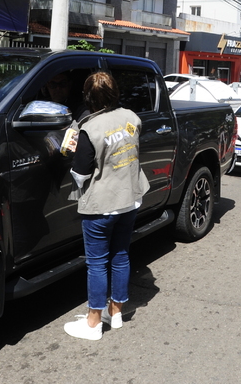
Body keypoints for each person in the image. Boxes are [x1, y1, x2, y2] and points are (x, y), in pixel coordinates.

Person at [63, 71, 150, 341]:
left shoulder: (90, 128)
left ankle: (93, 324)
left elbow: (80, 174)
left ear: (88, 97)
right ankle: (116, 312)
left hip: (102, 206)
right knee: (121, 255)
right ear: (115, 93)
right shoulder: (132, 118)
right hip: (130, 199)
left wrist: (70, 152)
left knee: (97, 264)